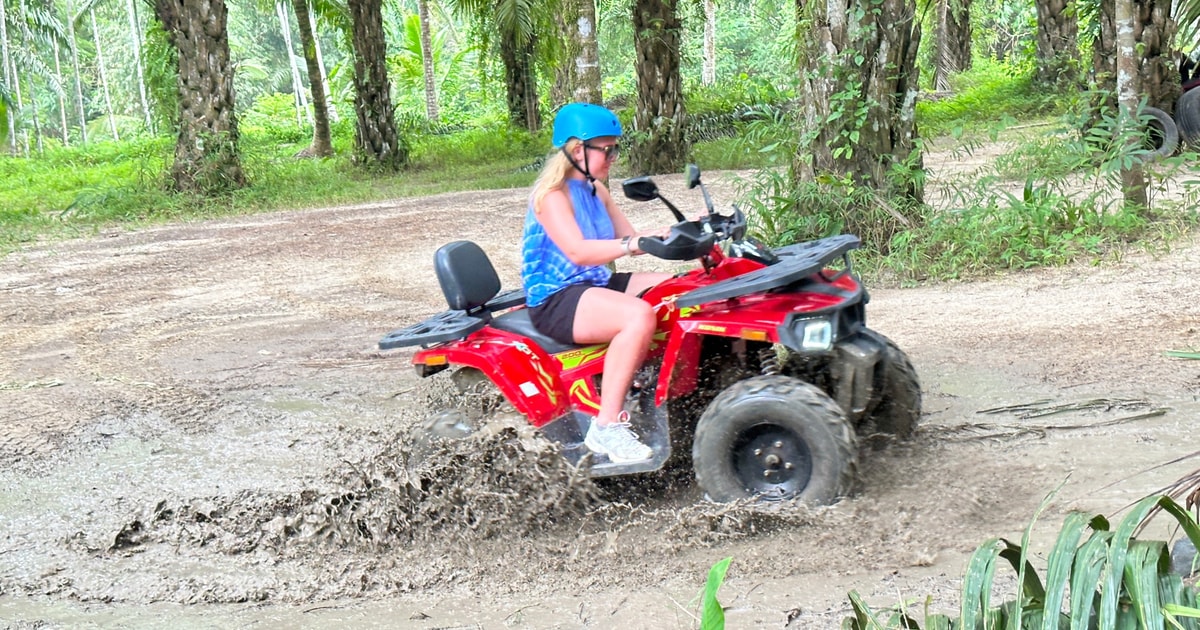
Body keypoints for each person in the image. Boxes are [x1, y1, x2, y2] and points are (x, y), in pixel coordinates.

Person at [521, 103, 671, 463]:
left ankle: (652, 382)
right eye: (607, 150)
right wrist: (632, 244)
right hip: (557, 297)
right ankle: (606, 427)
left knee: (675, 291)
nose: (613, 158)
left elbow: (631, 237)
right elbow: (579, 251)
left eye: (615, 149)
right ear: (578, 150)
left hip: (594, 284)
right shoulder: (551, 196)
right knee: (637, 316)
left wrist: (683, 230)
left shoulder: (596, 190)